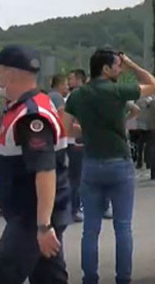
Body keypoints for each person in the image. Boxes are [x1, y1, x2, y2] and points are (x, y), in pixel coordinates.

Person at [63, 49, 155, 284]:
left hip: (91, 163)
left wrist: (87, 132)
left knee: (90, 229)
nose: (120, 69)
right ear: (106, 69)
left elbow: (66, 128)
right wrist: (132, 63)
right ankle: (123, 278)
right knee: (123, 226)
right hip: (119, 162)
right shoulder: (118, 91)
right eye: (117, 65)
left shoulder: (78, 95)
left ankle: (90, 278)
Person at [0, 46, 69, 283]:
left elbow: (45, 170)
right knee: (49, 278)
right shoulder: (24, 108)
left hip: (31, 218)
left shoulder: (31, 116)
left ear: (9, 74)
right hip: (32, 215)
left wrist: (42, 226)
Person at [65, 69, 89, 222]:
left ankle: (76, 207)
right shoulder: (72, 97)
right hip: (74, 141)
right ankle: (75, 207)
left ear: (79, 80)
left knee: (77, 177)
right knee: (76, 177)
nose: (68, 81)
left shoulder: (80, 97)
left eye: (71, 78)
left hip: (77, 141)